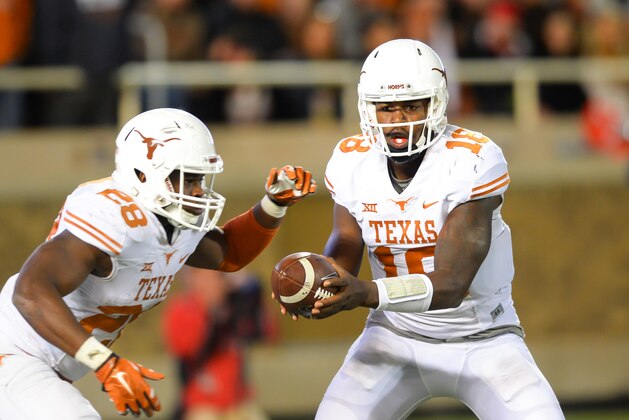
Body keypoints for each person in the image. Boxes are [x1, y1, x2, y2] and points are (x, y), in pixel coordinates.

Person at [281, 39, 565, 419]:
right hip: (393, 338)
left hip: (484, 339)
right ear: (369, 109)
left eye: (412, 105)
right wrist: (322, 284)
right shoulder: (352, 161)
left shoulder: (471, 159)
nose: (399, 120)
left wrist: (363, 291)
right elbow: (348, 239)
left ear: (436, 103)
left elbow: (451, 283)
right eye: (387, 108)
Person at [0, 107, 316, 419]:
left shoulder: (169, 220)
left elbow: (229, 253)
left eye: (201, 180)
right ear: (142, 173)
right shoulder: (110, 215)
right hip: (16, 352)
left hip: (54, 365)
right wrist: (105, 363)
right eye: (186, 179)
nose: (198, 191)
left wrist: (273, 204)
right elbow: (30, 292)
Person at [162, 267, 275, 420]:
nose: (216, 283)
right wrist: (206, 308)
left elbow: (268, 334)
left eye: (219, 277)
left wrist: (253, 294)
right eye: (207, 278)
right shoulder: (183, 307)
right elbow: (187, 348)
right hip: (202, 401)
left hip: (238, 400)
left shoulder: (233, 305)